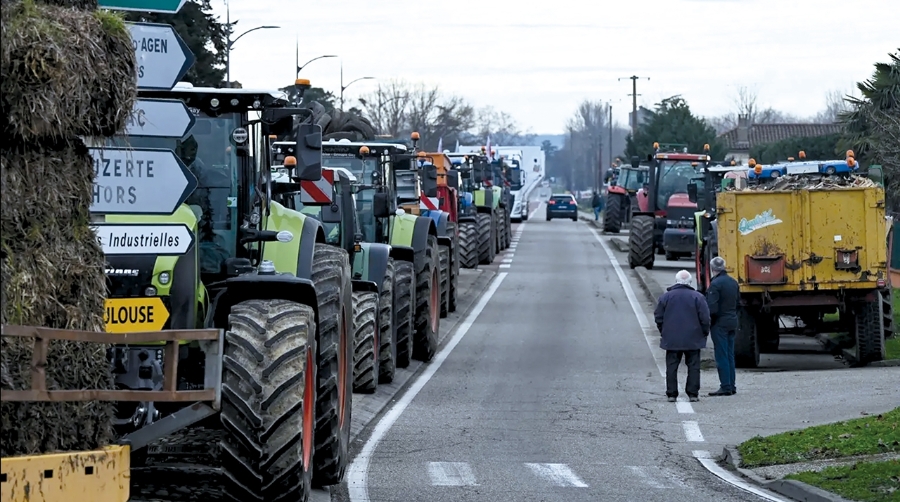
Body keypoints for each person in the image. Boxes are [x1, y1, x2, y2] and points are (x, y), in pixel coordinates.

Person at [654, 270, 711, 403]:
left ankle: (672, 394)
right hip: (693, 337)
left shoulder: (666, 297)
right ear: (690, 282)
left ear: (676, 281)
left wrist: (664, 331)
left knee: (672, 366)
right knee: (693, 366)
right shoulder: (698, 297)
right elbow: (705, 318)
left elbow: (658, 317)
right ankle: (693, 394)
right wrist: (704, 333)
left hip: (672, 338)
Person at [706, 256, 741, 396]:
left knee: (721, 355)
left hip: (719, 323)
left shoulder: (715, 284)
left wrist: (707, 322)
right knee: (730, 354)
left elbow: (712, 308)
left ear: (712, 268)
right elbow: (738, 302)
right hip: (732, 320)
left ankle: (725, 386)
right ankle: (732, 385)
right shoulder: (733, 282)